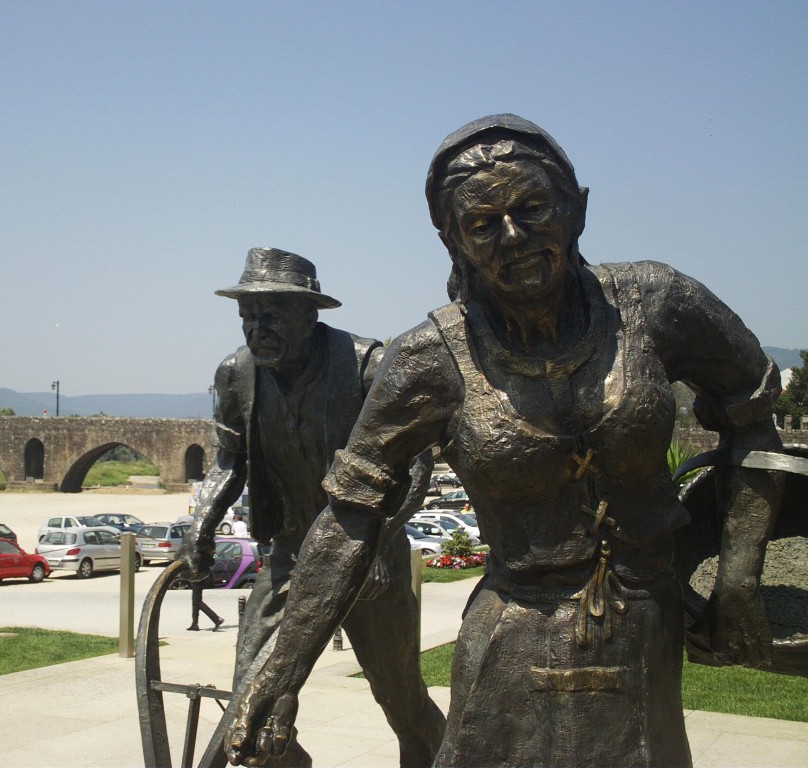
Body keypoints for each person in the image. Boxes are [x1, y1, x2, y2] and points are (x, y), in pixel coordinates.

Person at [223, 115, 785, 768]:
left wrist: (740, 578)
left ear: (574, 208)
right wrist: (279, 673)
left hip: (642, 625)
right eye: (483, 224)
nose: (513, 237)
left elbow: (753, 416)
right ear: (453, 240)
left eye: (533, 207)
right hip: (511, 631)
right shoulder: (429, 359)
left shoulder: (655, 303)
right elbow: (350, 511)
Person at [181, 247, 446, 767]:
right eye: (248, 317)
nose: (257, 329)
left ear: (310, 314)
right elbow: (230, 462)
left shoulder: (368, 366)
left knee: (402, 703)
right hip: (289, 560)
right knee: (250, 706)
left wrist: (375, 544)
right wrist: (202, 523)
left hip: (370, 561)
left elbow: (415, 469)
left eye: (272, 316)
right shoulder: (236, 374)